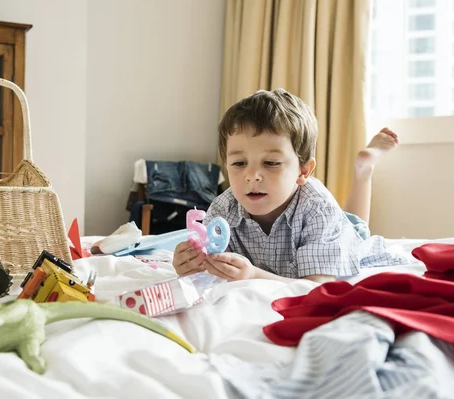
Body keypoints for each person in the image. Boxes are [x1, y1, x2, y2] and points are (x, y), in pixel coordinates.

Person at [172, 89, 403, 284]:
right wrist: (192, 267)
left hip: (337, 231)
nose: (252, 176)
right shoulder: (223, 209)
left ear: (302, 171)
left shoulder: (317, 209)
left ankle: (364, 170)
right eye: (239, 163)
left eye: (271, 163)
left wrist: (254, 275)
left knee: (358, 228)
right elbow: (213, 272)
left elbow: (315, 287)